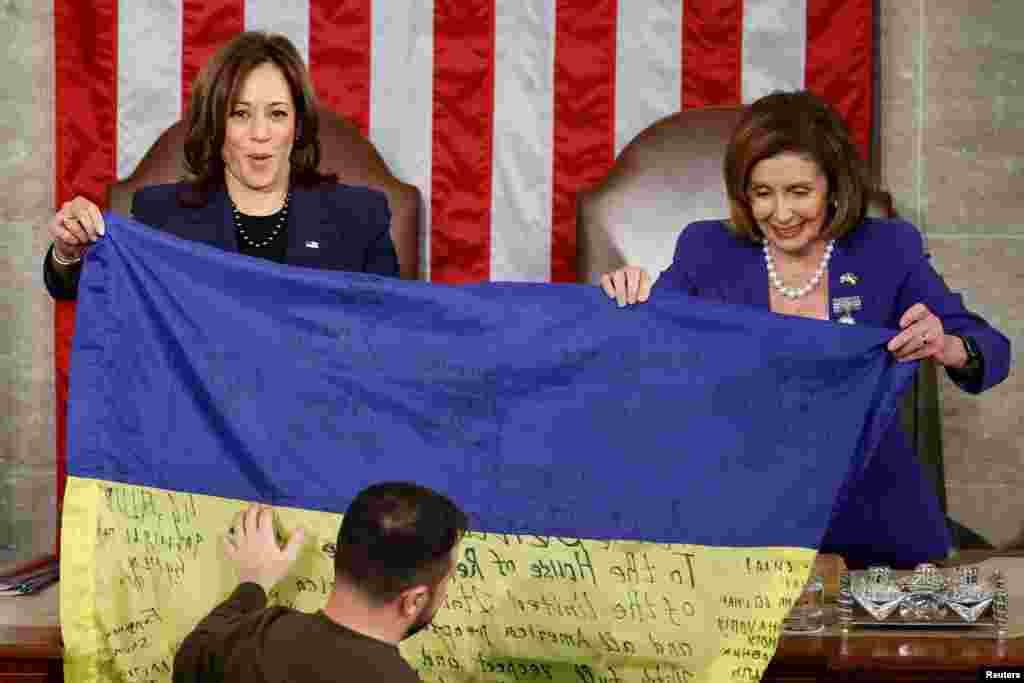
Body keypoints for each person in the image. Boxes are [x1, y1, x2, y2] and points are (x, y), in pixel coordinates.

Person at [600, 90, 1010, 568]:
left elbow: (991, 350)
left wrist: (949, 345)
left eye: (799, 192)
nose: (781, 213)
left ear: (834, 187)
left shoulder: (887, 249)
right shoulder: (706, 249)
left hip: (871, 515)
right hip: (737, 518)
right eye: (762, 193)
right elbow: (645, 345)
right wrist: (623, 302)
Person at [45, 31, 398, 300]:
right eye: (240, 114)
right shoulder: (160, 216)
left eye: (277, 114)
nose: (260, 134)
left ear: (298, 124)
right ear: (216, 124)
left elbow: (395, 330)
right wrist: (69, 251)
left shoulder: (360, 217)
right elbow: (93, 293)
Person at [173, 481, 467, 683]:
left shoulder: (240, 644)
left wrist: (253, 583)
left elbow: (195, 650)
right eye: (447, 579)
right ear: (413, 600)